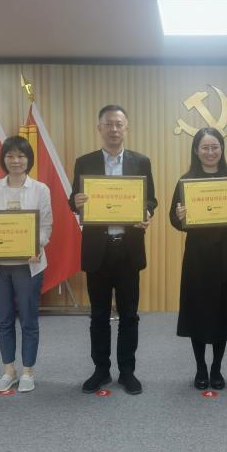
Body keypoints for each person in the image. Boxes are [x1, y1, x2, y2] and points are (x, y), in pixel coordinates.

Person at [70, 105, 157, 395]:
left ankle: (127, 371)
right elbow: (73, 200)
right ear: (100, 128)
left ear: (126, 128)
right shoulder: (84, 162)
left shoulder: (140, 162)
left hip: (128, 248)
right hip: (98, 249)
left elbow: (151, 200)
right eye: (108, 124)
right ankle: (101, 370)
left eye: (119, 124)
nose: (114, 129)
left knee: (129, 314)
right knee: (98, 315)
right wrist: (76, 202)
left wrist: (146, 212)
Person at [169, 127, 227, 390]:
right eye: (205, 147)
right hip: (196, 254)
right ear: (196, 150)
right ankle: (200, 368)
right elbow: (174, 219)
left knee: (221, 310)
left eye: (214, 147)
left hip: (223, 253)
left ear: (222, 149)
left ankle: (216, 368)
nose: (210, 152)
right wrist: (180, 217)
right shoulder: (186, 180)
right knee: (197, 310)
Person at [0, 136, 54, 394]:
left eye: (21, 156)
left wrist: (36, 246)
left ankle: (28, 370)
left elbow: (46, 226)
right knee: (3, 319)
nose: (15, 161)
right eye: (10, 156)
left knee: (28, 319)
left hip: (29, 265)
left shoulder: (40, 189)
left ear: (29, 159)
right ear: (3, 159)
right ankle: (9, 370)